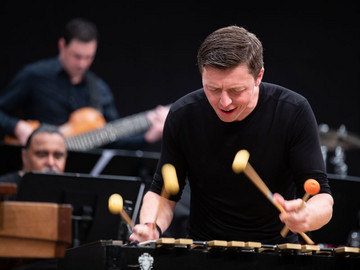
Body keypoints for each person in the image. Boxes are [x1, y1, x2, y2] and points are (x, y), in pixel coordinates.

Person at [129, 26, 334, 244]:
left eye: (236, 91)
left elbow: (322, 198)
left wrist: (306, 216)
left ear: (259, 76)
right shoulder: (183, 115)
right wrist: (152, 226)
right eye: (213, 89)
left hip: (276, 250)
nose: (224, 102)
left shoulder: (292, 111)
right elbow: (162, 194)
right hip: (205, 249)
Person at [0, 17, 168, 149]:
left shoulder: (100, 90)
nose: (82, 64)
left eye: (89, 57)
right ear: (62, 45)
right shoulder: (34, 75)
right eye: (77, 56)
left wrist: (148, 137)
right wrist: (17, 127)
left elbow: (112, 139)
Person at [0, 124, 67, 185]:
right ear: (25, 156)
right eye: (42, 155)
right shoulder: (3, 186)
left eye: (57, 156)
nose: (50, 163)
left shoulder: (74, 190)